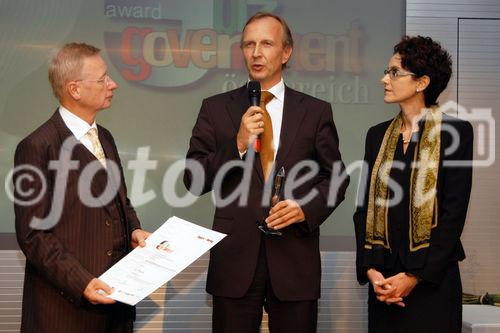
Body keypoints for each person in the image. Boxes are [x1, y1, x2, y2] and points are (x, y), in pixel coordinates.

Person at [184, 12, 349, 332]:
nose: (256, 52)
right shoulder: (216, 108)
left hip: (294, 259)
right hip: (235, 260)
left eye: (266, 43)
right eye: (249, 44)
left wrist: (305, 209)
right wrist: (238, 144)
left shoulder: (315, 112)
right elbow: (193, 179)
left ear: (286, 52)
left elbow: (337, 178)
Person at [13, 42, 150, 333]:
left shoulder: (106, 137)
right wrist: (82, 282)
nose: (113, 85)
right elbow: (33, 235)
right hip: (64, 313)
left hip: (116, 305)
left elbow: (120, 202)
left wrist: (134, 230)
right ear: (75, 89)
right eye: (102, 79)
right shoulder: (37, 147)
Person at [353, 36, 473, 332]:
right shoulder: (376, 136)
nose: (384, 79)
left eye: (394, 72)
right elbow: (363, 207)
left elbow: (452, 215)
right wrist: (371, 271)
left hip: (431, 283)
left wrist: (414, 279)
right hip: (383, 282)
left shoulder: (455, 133)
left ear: (421, 83)